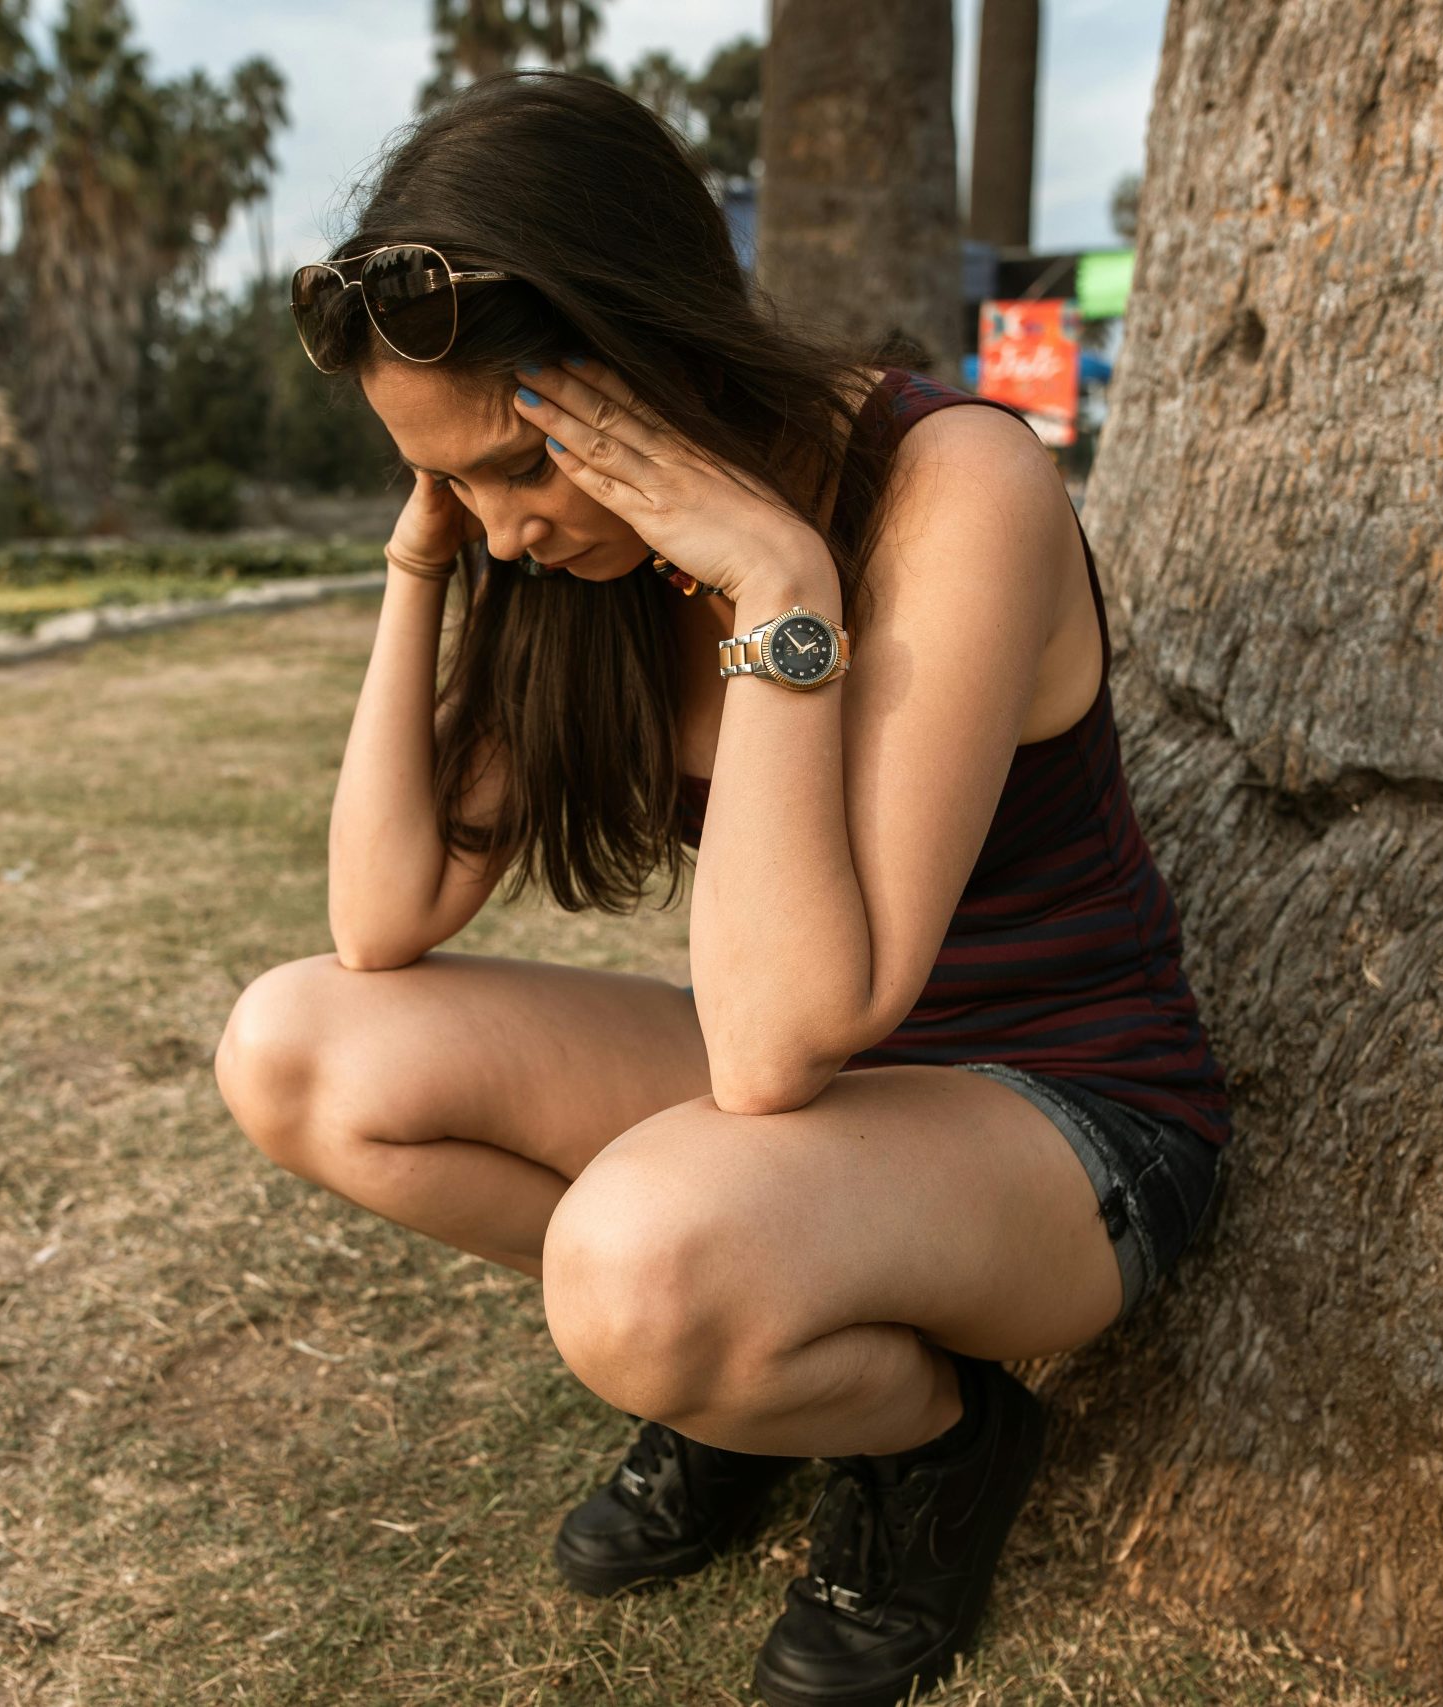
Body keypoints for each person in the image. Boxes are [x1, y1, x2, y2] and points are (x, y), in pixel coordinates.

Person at [213, 70, 1230, 1707]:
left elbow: (777, 1045)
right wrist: (423, 564)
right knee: (298, 1048)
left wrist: (778, 582)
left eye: (512, 468)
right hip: (818, 1110)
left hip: (1064, 1112)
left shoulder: (954, 485)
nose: (505, 527)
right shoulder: (559, 552)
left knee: (636, 1269)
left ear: (642, 358)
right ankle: (744, 1370)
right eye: (449, 480)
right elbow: (380, 920)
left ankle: (936, 1442)